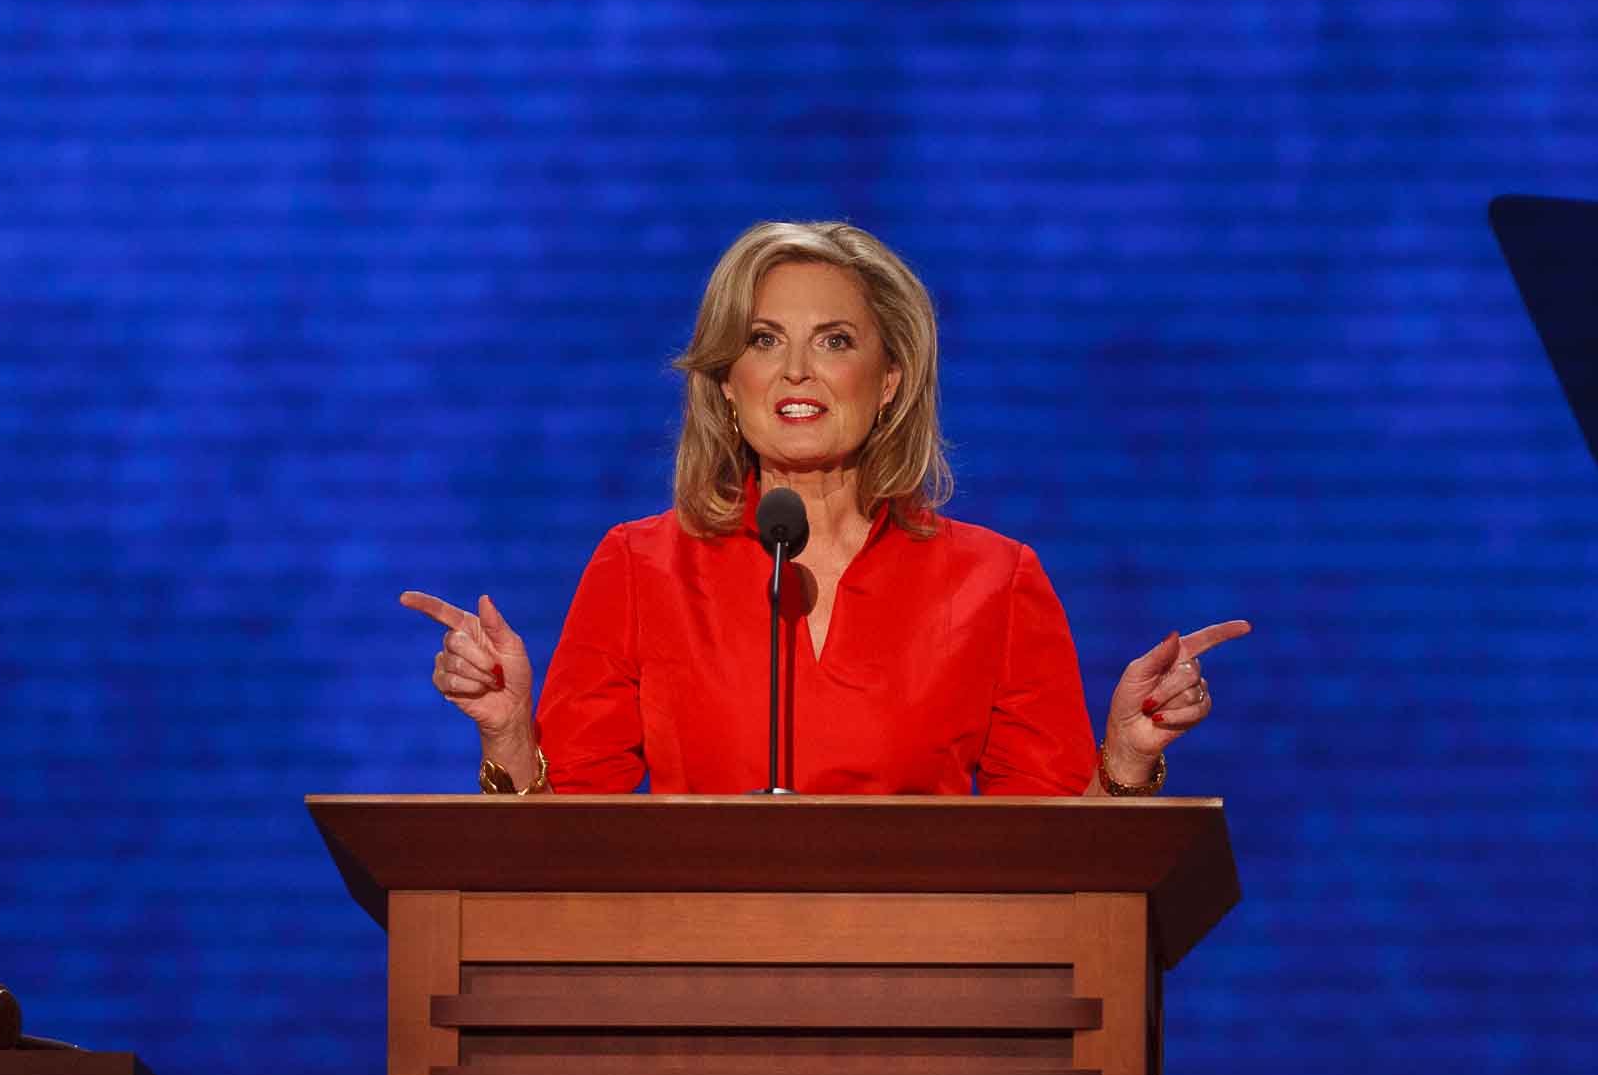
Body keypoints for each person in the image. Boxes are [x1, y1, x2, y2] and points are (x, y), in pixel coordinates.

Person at [402, 221, 1248, 795]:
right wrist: (508, 734)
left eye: (835, 340)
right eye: (763, 340)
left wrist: (1129, 758)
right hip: (694, 1002)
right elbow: (567, 848)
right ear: (728, 385)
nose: (797, 371)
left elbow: (1057, 860)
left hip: (934, 1005)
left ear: (889, 382)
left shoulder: (995, 580)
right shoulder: (638, 566)